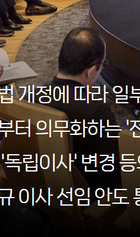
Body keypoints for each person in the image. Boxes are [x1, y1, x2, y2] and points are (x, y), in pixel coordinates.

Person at [45, 27, 120, 188]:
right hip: (90, 195)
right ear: (91, 71)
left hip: (44, 187)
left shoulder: (32, 98)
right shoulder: (98, 112)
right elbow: (113, 174)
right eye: (103, 64)